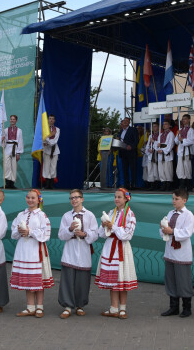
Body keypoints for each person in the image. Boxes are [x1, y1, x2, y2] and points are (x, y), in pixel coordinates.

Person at [96, 188, 137, 319]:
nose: (116, 199)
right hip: (110, 247)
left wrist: (112, 226)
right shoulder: (110, 212)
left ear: (126, 199)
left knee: (122, 277)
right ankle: (113, 308)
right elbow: (101, 234)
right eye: (115, 197)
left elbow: (127, 235)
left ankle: (123, 308)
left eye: (119, 197)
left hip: (122, 248)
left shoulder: (130, 214)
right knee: (113, 280)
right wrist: (103, 226)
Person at [11, 189, 53, 317]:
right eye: (28, 197)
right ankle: (30, 307)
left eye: (33, 198)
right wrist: (19, 231)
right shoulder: (20, 215)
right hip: (23, 249)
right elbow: (13, 232)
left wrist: (30, 232)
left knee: (37, 279)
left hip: (36, 250)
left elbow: (46, 233)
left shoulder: (41, 215)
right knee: (28, 278)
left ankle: (39, 307)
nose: (30, 200)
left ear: (38, 199)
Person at [57, 189, 97, 319]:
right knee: (68, 279)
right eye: (71, 198)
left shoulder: (89, 215)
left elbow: (95, 234)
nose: (74, 200)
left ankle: (80, 305)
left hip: (83, 251)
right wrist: (70, 229)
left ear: (82, 199)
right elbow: (61, 235)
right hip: (70, 251)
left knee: (82, 280)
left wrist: (84, 234)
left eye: (76, 197)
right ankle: (67, 306)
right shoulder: (66, 216)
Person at [159, 189, 194, 318]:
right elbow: (164, 230)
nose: (174, 201)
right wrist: (163, 229)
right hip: (170, 252)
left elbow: (187, 232)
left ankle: (187, 307)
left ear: (184, 200)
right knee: (171, 279)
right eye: (173, 198)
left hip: (182, 253)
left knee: (183, 280)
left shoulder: (188, 215)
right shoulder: (170, 213)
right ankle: (173, 307)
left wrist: (172, 231)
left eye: (176, 199)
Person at [2, 115, 23, 189]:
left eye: (13, 119)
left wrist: (18, 153)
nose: (12, 120)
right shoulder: (5, 130)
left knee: (13, 166)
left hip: (15, 148)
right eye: (11, 119)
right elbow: (3, 143)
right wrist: (3, 139)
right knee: (7, 166)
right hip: (7, 148)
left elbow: (20, 142)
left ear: (16, 120)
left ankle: (12, 183)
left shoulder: (19, 130)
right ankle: (7, 182)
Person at [174, 114, 194, 190]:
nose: (184, 120)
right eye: (183, 119)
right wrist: (178, 135)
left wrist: (183, 140)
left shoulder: (191, 130)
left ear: (189, 120)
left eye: (185, 119)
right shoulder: (181, 129)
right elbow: (176, 141)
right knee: (180, 168)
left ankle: (189, 185)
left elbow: (191, 141)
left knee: (187, 168)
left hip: (186, 151)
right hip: (180, 151)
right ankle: (182, 185)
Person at [154, 120, 176, 191]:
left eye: (166, 124)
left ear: (169, 125)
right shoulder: (161, 134)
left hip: (167, 155)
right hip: (160, 154)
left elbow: (170, 144)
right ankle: (163, 184)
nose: (164, 125)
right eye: (163, 124)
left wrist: (163, 150)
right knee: (161, 170)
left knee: (168, 170)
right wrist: (157, 149)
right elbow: (156, 144)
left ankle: (168, 184)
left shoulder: (171, 134)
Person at [118, 117, 138, 190]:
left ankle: (133, 184)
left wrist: (132, 147)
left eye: (127, 121)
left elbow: (136, 140)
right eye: (124, 121)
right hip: (123, 152)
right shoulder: (121, 131)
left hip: (131, 152)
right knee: (124, 169)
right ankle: (126, 185)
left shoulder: (133, 129)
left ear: (129, 122)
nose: (125, 122)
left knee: (132, 169)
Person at [42, 114, 60, 189]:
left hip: (55, 150)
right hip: (46, 150)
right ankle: (47, 184)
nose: (51, 120)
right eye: (50, 118)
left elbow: (55, 141)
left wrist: (47, 140)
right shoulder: (44, 129)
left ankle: (51, 184)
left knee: (53, 167)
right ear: (48, 120)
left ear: (54, 120)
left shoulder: (57, 129)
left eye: (52, 119)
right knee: (46, 167)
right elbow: (43, 138)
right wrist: (50, 135)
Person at [144, 122, 160, 190]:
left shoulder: (160, 135)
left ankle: (156, 184)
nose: (154, 128)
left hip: (156, 154)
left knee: (156, 170)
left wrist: (154, 143)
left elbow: (160, 144)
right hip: (150, 155)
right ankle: (151, 184)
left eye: (155, 126)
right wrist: (148, 150)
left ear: (158, 127)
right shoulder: (151, 136)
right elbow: (147, 145)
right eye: (153, 127)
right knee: (150, 169)